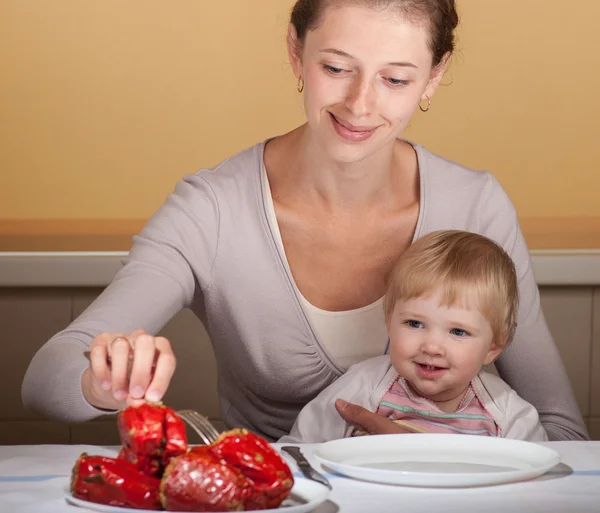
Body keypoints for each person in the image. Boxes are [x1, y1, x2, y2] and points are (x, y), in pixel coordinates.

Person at [22, 0, 588, 442]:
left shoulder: (477, 205)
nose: (360, 104)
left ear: (434, 78)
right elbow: (45, 382)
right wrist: (104, 381)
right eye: (337, 67)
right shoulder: (213, 209)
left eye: (396, 79)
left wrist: (433, 456)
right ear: (296, 52)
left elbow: (563, 433)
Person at [279, 230, 547, 444]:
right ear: (389, 322)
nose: (431, 346)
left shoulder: (506, 413)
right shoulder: (364, 388)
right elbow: (299, 450)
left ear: (492, 347)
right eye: (414, 323)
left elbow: (534, 481)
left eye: (457, 331)